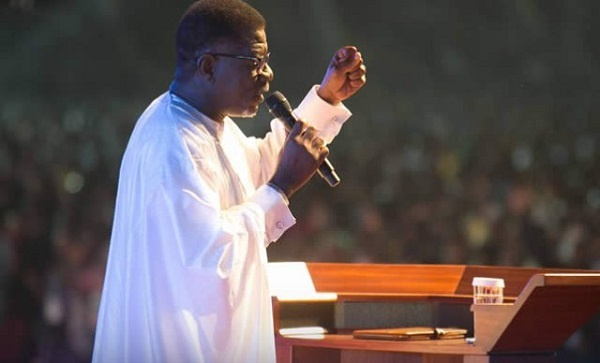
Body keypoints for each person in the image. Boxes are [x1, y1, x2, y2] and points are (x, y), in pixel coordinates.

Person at [92, 0, 366, 362]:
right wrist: (282, 186)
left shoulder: (208, 124)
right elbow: (212, 260)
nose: (268, 76)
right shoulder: (170, 142)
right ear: (208, 66)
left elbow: (256, 171)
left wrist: (326, 99)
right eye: (255, 64)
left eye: (267, 62)